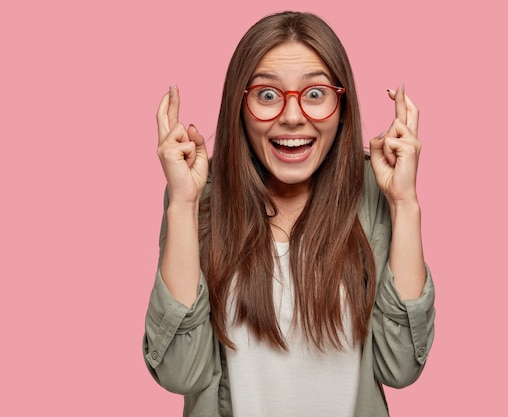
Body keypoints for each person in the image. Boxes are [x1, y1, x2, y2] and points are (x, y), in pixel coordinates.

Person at [143, 10, 435, 417]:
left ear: (343, 105)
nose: (293, 115)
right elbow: (179, 372)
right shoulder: (199, 195)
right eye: (267, 95)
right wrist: (183, 203)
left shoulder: (374, 192)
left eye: (315, 94)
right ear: (238, 108)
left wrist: (405, 203)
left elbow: (399, 366)